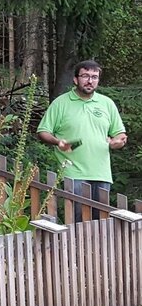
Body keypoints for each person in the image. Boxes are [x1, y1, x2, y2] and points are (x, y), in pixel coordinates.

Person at [37, 60, 127, 221]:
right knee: (77, 221)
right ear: (75, 79)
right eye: (85, 76)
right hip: (73, 173)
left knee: (101, 222)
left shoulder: (106, 104)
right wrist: (58, 142)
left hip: (101, 173)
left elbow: (120, 133)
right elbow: (43, 131)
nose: (90, 81)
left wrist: (118, 142)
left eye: (94, 77)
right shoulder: (61, 103)